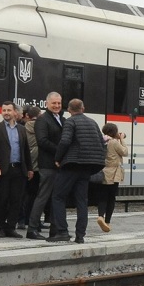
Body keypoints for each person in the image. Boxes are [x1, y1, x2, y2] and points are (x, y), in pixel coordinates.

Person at [52, 98, 106, 243]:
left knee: (58, 196)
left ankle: (62, 231)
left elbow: (64, 141)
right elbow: (102, 143)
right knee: (81, 200)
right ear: (83, 108)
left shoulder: (71, 121)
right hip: (88, 167)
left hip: (72, 164)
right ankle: (80, 235)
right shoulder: (93, 122)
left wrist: (58, 158)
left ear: (69, 110)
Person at [0, 100, 33, 238]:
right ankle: (0, 227)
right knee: (2, 199)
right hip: (3, 170)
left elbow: (26, 150)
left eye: (8, 110)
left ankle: (11, 227)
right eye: (4, 110)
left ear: (15, 112)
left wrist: (29, 168)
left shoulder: (22, 129)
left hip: (19, 169)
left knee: (16, 200)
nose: (6, 113)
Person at [25, 92, 64, 241]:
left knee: (56, 197)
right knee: (42, 197)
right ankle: (32, 228)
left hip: (59, 165)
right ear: (47, 104)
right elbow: (42, 141)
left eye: (59, 103)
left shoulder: (61, 119)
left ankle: (55, 229)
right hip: (48, 164)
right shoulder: (42, 120)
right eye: (54, 103)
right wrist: (60, 152)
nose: (57, 106)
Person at [98, 122, 129, 232]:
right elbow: (125, 152)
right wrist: (122, 139)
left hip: (104, 172)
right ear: (114, 132)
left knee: (103, 197)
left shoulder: (102, 140)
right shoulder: (114, 142)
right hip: (114, 173)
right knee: (111, 198)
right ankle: (107, 222)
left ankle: (100, 216)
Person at [17, 103, 41, 231]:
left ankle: (21, 220)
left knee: (22, 193)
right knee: (34, 195)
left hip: (25, 164)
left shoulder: (22, 128)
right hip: (38, 165)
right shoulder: (42, 127)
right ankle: (31, 219)